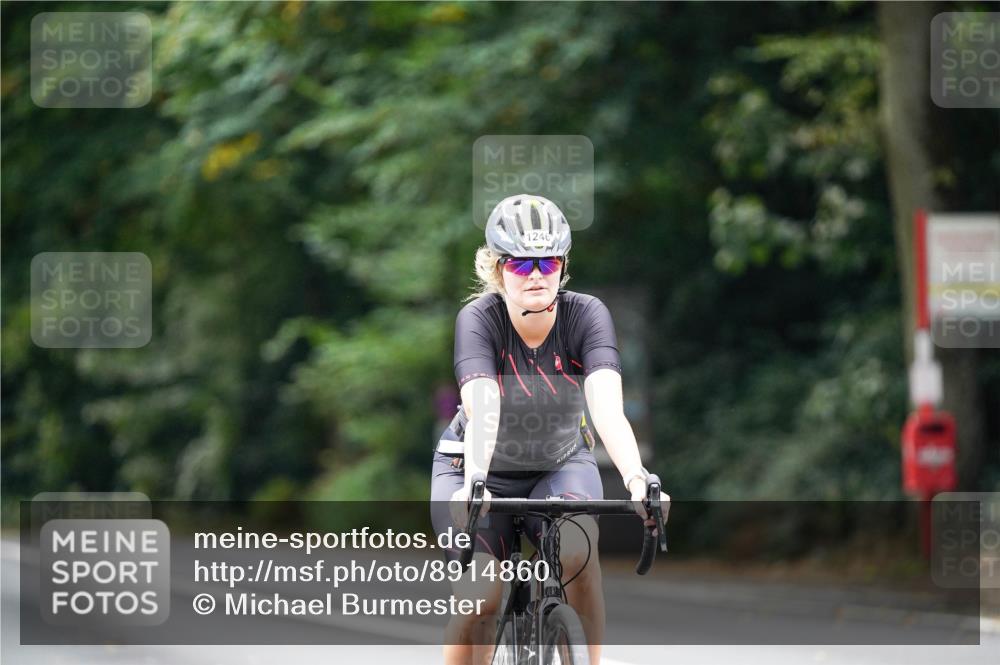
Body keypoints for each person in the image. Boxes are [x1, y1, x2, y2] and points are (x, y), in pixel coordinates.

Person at [430, 194, 660, 665]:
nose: (536, 274)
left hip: (558, 463)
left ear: (562, 265)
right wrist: (474, 482)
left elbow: (607, 408)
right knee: (481, 597)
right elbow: (483, 408)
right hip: (474, 468)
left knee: (579, 556)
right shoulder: (479, 320)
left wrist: (638, 479)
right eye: (519, 265)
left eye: (547, 260)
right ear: (497, 270)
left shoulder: (586, 315)